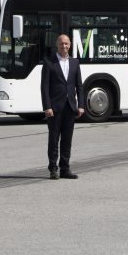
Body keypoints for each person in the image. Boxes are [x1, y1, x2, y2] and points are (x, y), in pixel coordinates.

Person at [41, 33, 85, 179]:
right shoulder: (49, 62)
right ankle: (53, 168)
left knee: (67, 140)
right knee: (54, 139)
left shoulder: (75, 63)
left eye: (66, 44)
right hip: (55, 108)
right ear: (57, 45)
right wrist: (47, 106)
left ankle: (65, 168)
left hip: (70, 107)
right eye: (61, 44)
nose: (64, 46)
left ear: (70, 45)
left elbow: (79, 85)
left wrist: (81, 105)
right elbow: (44, 87)